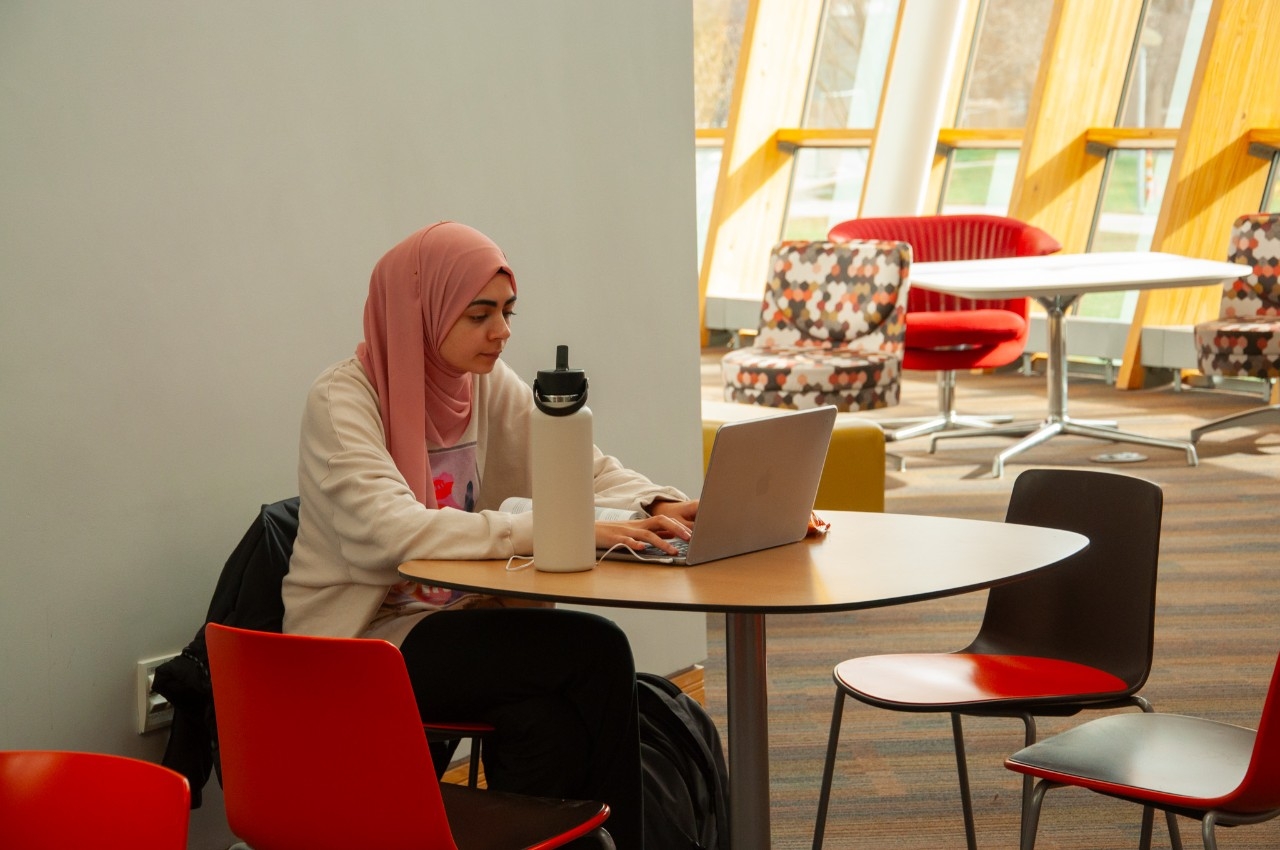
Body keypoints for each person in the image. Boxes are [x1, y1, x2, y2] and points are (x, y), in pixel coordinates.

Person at [282, 221, 698, 849]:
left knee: (549, 725)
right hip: (365, 643)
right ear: (422, 312)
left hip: (455, 618)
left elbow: (581, 470)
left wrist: (665, 500)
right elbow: (397, 534)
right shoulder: (343, 402)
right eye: (480, 315)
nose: (502, 332)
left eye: (506, 312)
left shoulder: (480, 384)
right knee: (594, 648)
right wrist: (550, 531)